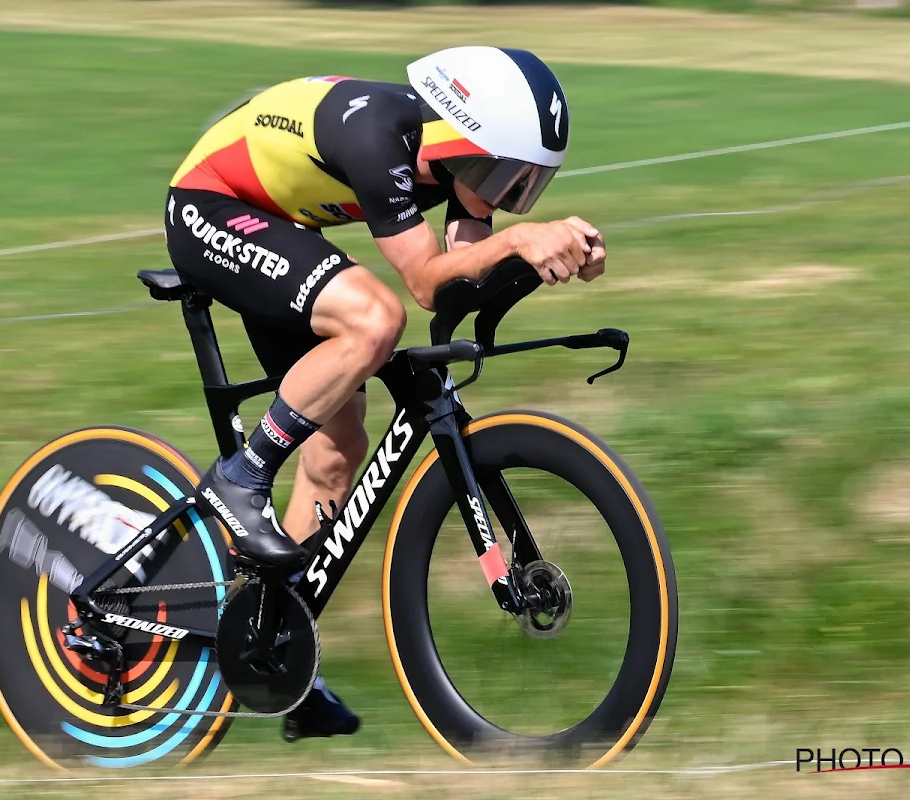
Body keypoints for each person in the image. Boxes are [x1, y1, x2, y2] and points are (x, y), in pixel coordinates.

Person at [164, 45, 606, 742]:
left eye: (523, 184)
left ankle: (274, 650)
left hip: (276, 223)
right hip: (208, 207)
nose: (504, 193)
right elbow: (427, 284)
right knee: (375, 318)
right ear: (462, 137)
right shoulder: (377, 136)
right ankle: (240, 477)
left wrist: (547, 258)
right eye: (502, 171)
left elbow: (462, 285)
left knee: (337, 448)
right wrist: (521, 239)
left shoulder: (453, 169)